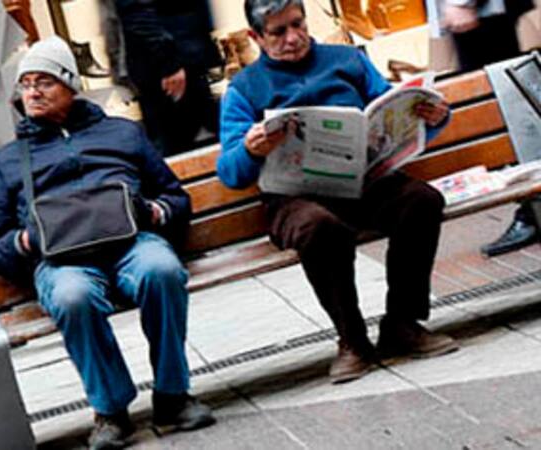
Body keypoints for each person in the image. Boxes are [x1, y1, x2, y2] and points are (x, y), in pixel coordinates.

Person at [0, 36, 215, 450]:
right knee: (72, 296)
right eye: (26, 84)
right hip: (61, 261)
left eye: (44, 82)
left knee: (161, 270)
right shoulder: (9, 160)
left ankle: (173, 395)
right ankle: (110, 410)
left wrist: (154, 212)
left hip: (132, 244)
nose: (32, 92)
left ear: (71, 85)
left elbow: (175, 198)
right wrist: (26, 241)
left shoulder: (123, 133)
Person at [218, 0, 460, 384]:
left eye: (298, 25)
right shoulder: (243, 90)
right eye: (278, 32)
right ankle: (352, 339)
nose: (293, 38)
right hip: (294, 197)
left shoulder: (348, 60)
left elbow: (391, 109)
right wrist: (250, 149)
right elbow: (230, 172)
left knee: (421, 200)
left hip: (364, 182)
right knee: (317, 227)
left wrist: (430, 117)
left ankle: (402, 323)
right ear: (256, 37)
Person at [441, 0, 539, 256]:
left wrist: (460, 2)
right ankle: (532, 210)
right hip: (482, 12)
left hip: (483, 11)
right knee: (512, 102)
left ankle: (532, 212)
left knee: (511, 105)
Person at [114, 0, 222, 156]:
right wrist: (168, 63)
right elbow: (137, 15)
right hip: (168, 67)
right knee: (175, 146)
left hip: (185, 59)